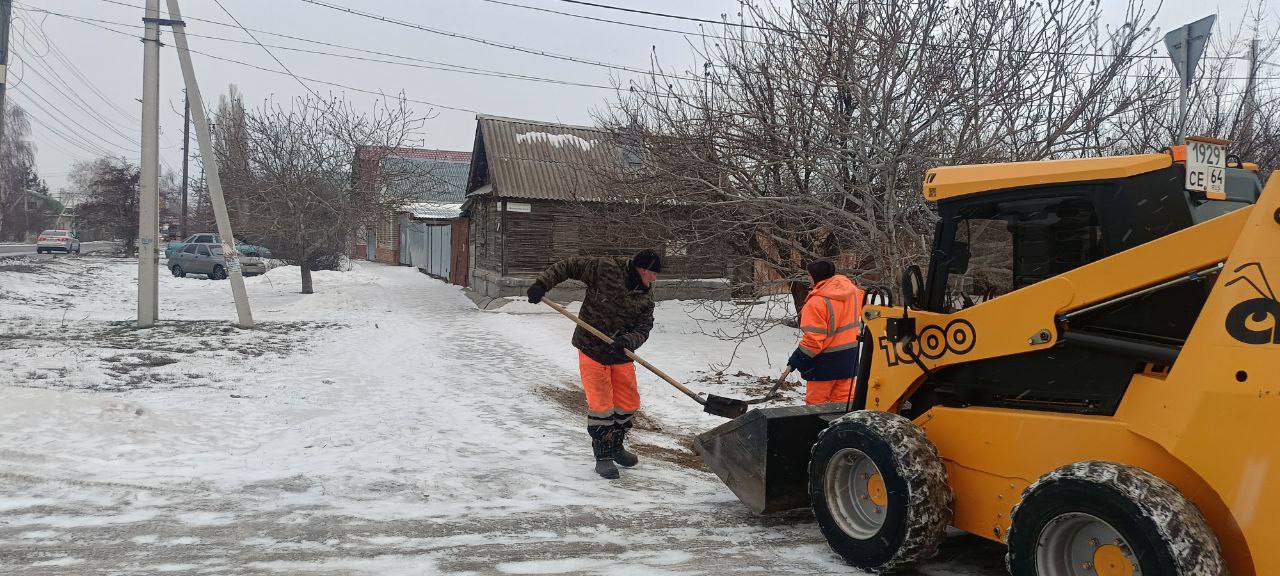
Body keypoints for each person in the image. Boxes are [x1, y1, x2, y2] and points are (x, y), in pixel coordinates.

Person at [527, 249, 663, 479]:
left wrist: (628, 341)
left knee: (628, 403)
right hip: (592, 348)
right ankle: (603, 456)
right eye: (653, 273)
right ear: (642, 269)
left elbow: (644, 327)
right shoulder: (605, 268)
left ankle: (616, 446)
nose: (655, 279)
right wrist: (542, 284)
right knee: (601, 406)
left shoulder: (646, 295)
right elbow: (568, 265)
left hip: (620, 353)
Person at [787, 260, 865, 405]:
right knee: (844, 404)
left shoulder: (816, 303)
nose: (808, 278)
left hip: (824, 364)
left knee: (816, 405)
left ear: (816, 277)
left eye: (809, 275)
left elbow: (813, 341)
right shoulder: (853, 293)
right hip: (849, 360)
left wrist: (798, 358)